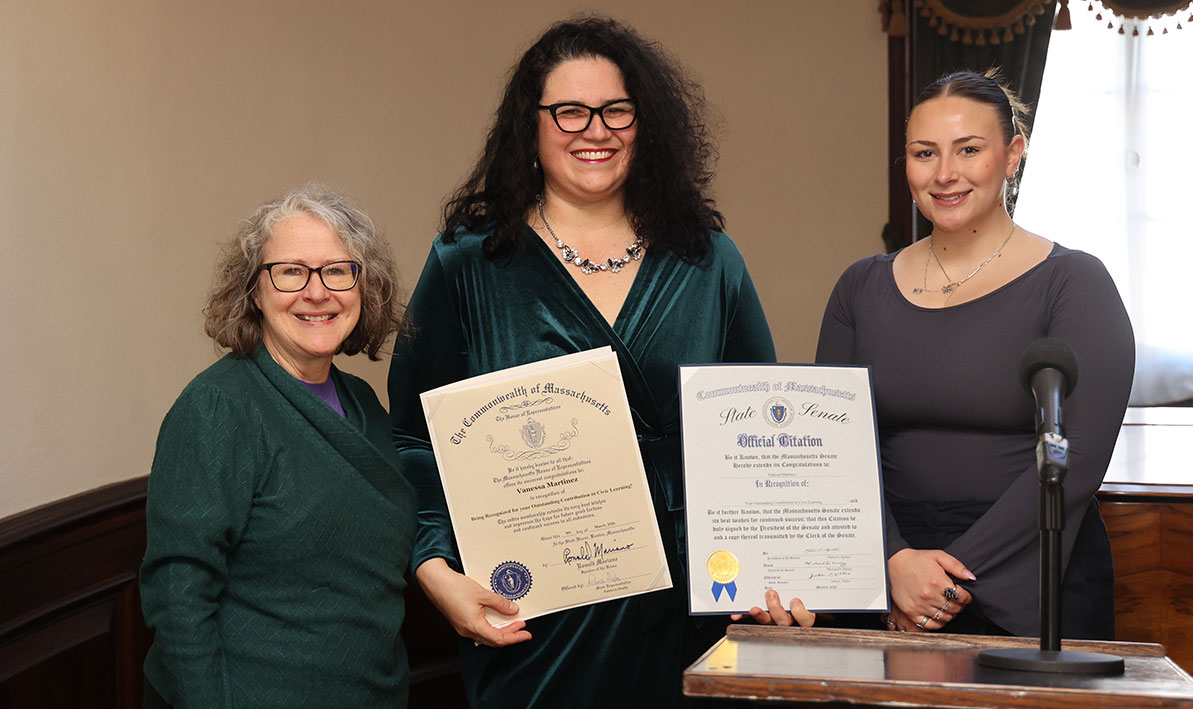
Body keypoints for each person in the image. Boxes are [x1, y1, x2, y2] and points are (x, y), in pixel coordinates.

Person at [387, 17, 808, 708]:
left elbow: (755, 439)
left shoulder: (705, 259)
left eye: (616, 109)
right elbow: (412, 437)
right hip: (539, 611)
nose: (596, 129)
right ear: (532, 125)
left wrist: (780, 573)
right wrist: (434, 571)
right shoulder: (468, 263)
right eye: (570, 111)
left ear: (644, 124)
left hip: (696, 603)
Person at [815, 70, 1134, 638]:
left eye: (969, 150)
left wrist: (949, 580)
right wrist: (893, 563)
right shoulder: (859, 288)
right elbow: (833, 448)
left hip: (1031, 561)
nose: (944, 174)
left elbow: (1076, 452)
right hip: (885, 567)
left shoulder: (1075, 282)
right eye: (924, 153)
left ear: (1013, 155)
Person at [140, 185, 416, 708]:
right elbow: (179, 595)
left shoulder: (359, 401)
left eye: (338, 270)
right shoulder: (218, 408)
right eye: (291, 271)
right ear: (254, 292)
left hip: (374, 691)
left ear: (365, 287)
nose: (317, 292)